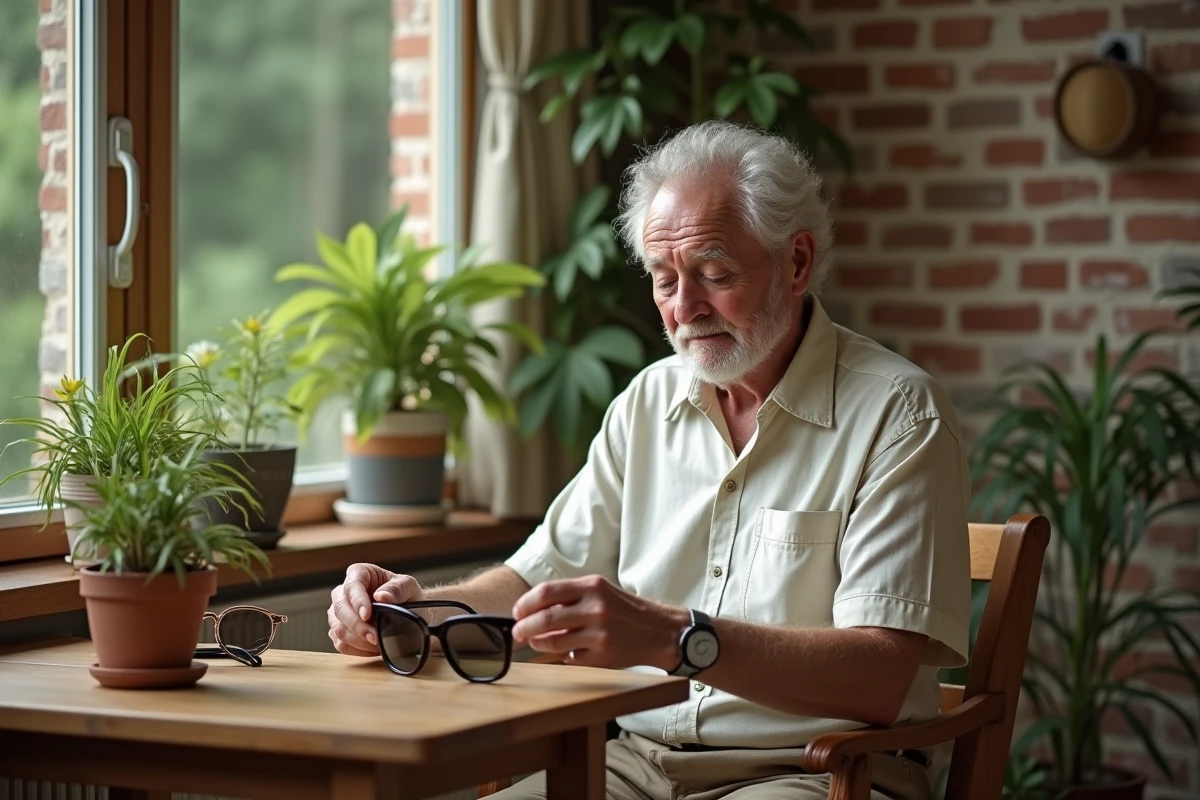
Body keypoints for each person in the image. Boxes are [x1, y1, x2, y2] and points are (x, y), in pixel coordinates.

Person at [327, 120, 971, 800]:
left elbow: (876, 678)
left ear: (797, 262)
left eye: (714, 274)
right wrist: (408, 615)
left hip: (818, 772)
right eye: (664, 280)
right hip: (630, 766)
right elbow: (531, 581)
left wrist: (674, 638)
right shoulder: (647, 404)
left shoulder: (900, 413)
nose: (685, 309)